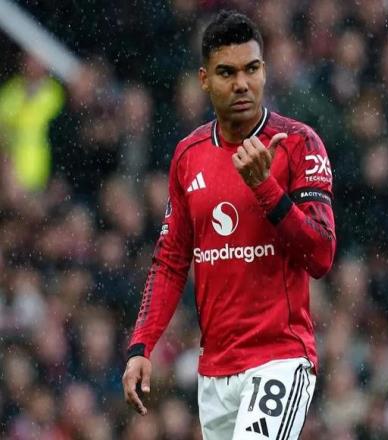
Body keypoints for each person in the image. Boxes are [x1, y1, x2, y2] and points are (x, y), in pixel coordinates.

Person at [122, 10, 336, 440]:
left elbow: (321, 255)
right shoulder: (188, 155)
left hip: (279, 358)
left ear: (265, 71)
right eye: (227, 72)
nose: (242, 83)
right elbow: (170, 261)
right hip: (216, 371)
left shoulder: (299, 143)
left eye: (251, 69)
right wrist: (142, 344)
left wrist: (266, 188)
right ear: (204, 79)